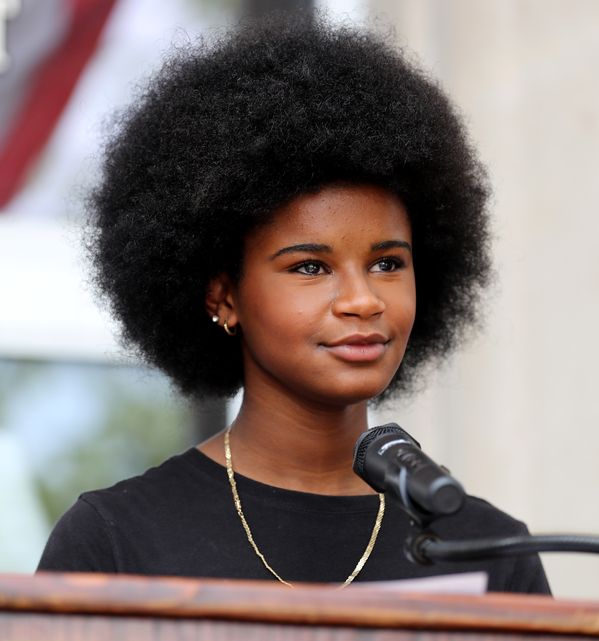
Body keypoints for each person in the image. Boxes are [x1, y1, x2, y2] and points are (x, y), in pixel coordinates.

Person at [38, 14, 550, 593]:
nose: (362, 300)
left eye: (388, 263)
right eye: (310, 267)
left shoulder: (486, 551)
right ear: (224, 296)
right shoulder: (117, 541)